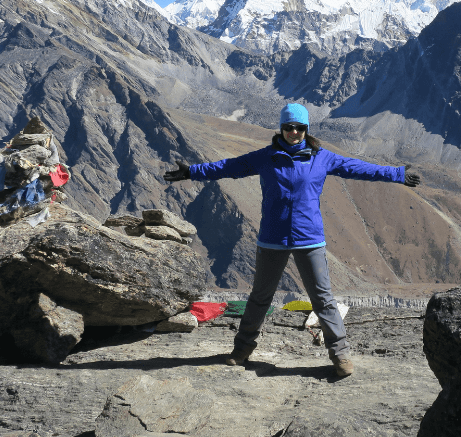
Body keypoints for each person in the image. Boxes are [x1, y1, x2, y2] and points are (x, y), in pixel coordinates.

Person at [163, 103, 420, 377]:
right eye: (289, 127)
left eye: (299, 128)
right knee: (260, 297)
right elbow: (229, 167)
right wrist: (192, 172)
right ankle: (242, 350)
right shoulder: (266, 157)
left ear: (306, 130)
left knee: (322, 299)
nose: (294, 132)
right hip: (272, 239)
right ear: (281, 128)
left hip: (309, 239)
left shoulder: (322, 158)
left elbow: (357, 168)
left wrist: (398, 174)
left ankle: (340, 355)